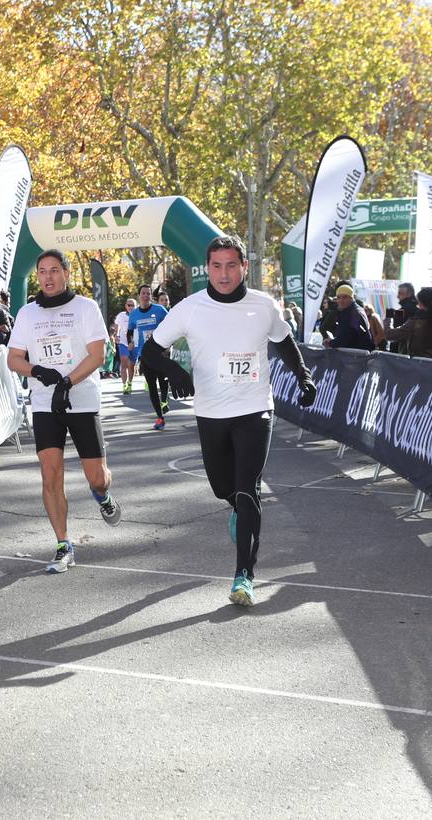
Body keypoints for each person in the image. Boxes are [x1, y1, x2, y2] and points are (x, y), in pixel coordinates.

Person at [140, 235, 316, 606]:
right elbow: (150, 352)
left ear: (243, 267)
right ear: (208, 268)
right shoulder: (190, 308)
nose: (223, 274)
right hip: (211, 412)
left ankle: (243, 577)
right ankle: (235, 507)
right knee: (224, 488)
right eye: (216, 266)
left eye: (231, 265)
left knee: (249, 488)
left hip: (254, 409)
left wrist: (302, 375)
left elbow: (283, 341)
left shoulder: (263, 306)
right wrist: (175, 372)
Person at [7, 249, 121, 573]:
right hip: (44, 402)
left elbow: (97, 355)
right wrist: (38, 372)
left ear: (67, 273)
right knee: (50, 472)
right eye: (42, 271)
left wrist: (67, 382)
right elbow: (13, 359)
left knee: (97, 478)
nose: (48, 277)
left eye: (54, 270)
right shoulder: (27, 314)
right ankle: (63, 544)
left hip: (81, 397)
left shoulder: (85, 308)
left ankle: (103, 496)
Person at [129, 286, 171, 430]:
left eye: (148, 293)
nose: (146, 295)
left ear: (150, 296)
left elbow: (171, 324)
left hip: (160, 352)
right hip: (145, 355)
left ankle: (164, 400)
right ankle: (160, 417)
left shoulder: (159, 310)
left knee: (163, 381)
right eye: (143, 293)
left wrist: (167, 345)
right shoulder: (134, 314)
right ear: (139, 296)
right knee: (152, 387)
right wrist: (130, 342)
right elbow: (130, 330)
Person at [382, 286, 432, 358]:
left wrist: (389, 318)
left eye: (400, 293)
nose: (397, 296)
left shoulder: (414, 319)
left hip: (415, 363)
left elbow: (390, 335)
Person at [325, 284, 374, 350]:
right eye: (338, 297)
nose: (341, 301)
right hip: (360, 354)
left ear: (351, 298)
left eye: (345, 297)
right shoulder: (357, 309)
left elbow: (345, 339)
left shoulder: (350, 313)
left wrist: (330, 343)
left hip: (355, 356)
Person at [113, 297, 137, 394]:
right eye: (129, 305)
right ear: (126, 306)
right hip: (123, 342)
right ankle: (124, 386)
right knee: (124, 364)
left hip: (134, 343)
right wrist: (116, 335)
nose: (130, 307)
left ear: (136, 306)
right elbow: (117, 327)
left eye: (132, 305)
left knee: (131, 365)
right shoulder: (121, 315)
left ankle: (130, 383)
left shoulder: (138, 315)